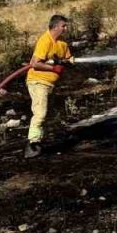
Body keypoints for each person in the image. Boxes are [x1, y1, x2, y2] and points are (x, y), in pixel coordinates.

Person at [25, 15, 73, 159]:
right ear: (55, 26)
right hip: (37, 82)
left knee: (45, 115)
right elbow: (34, 63)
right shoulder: (45, 40)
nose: (65, 28)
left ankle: (38, 142)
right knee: (40, 113)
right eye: (63, 26)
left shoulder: (63, 44)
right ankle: (32, 144)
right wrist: (53, 69)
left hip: (50, 84)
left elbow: (67, 59)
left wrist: (68, 62)